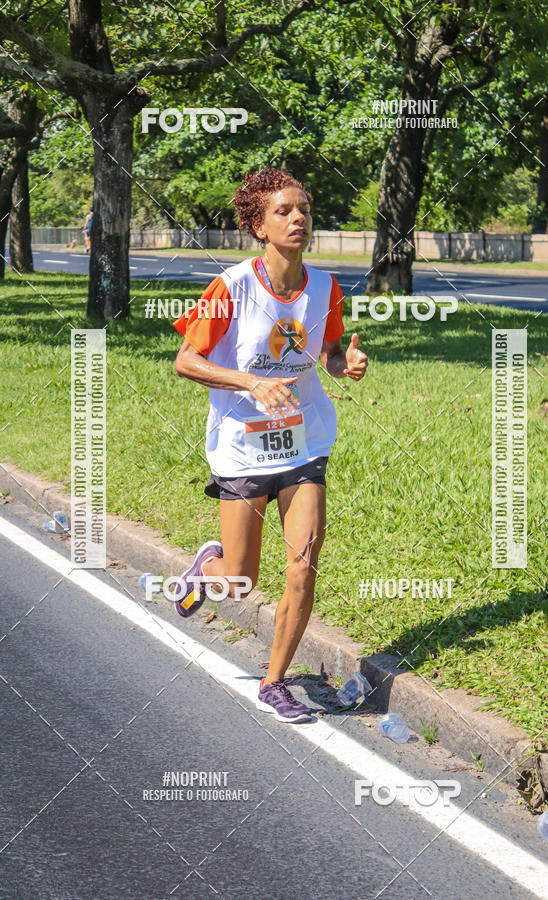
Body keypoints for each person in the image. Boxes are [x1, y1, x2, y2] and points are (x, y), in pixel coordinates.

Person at [173, 167, 368, 723]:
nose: (298, 217)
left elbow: (326, 352)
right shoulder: (231, 286)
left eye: (303, 208)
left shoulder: (326, 287)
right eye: (283, 211)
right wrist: (251, 381)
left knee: (304, 564)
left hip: (304, 442)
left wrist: (343, 364)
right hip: (241, 445)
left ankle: (275, 681)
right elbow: (187, 360)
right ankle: (205, 572)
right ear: (258, 225)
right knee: (241, 580)